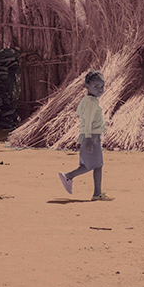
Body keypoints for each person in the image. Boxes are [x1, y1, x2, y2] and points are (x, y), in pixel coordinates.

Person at [58, 70, 113, 201]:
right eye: (96, 86)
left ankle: (97, 193)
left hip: (91, 136)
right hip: (91, 137)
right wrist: (88, 138)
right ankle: (69, 176)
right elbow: (87, 120)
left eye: (102, 86)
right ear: (87, 86)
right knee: (95, 165)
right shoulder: (91, 102)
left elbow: (79, 113)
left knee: (95, 164)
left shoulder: (87, 100)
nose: (100, 89)